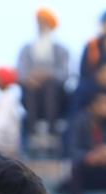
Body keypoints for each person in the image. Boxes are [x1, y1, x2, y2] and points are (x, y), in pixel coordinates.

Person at [17, 7, 71, 151]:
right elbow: (21, 73)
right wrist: (31, 78)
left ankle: (52, 134)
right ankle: (33, 135)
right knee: (30, 87)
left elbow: (64, 74)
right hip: (32, 93)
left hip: (56, 95)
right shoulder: (27, 49)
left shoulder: (61, 50)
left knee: (50, 86)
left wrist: (46, 75)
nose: (41, 25)